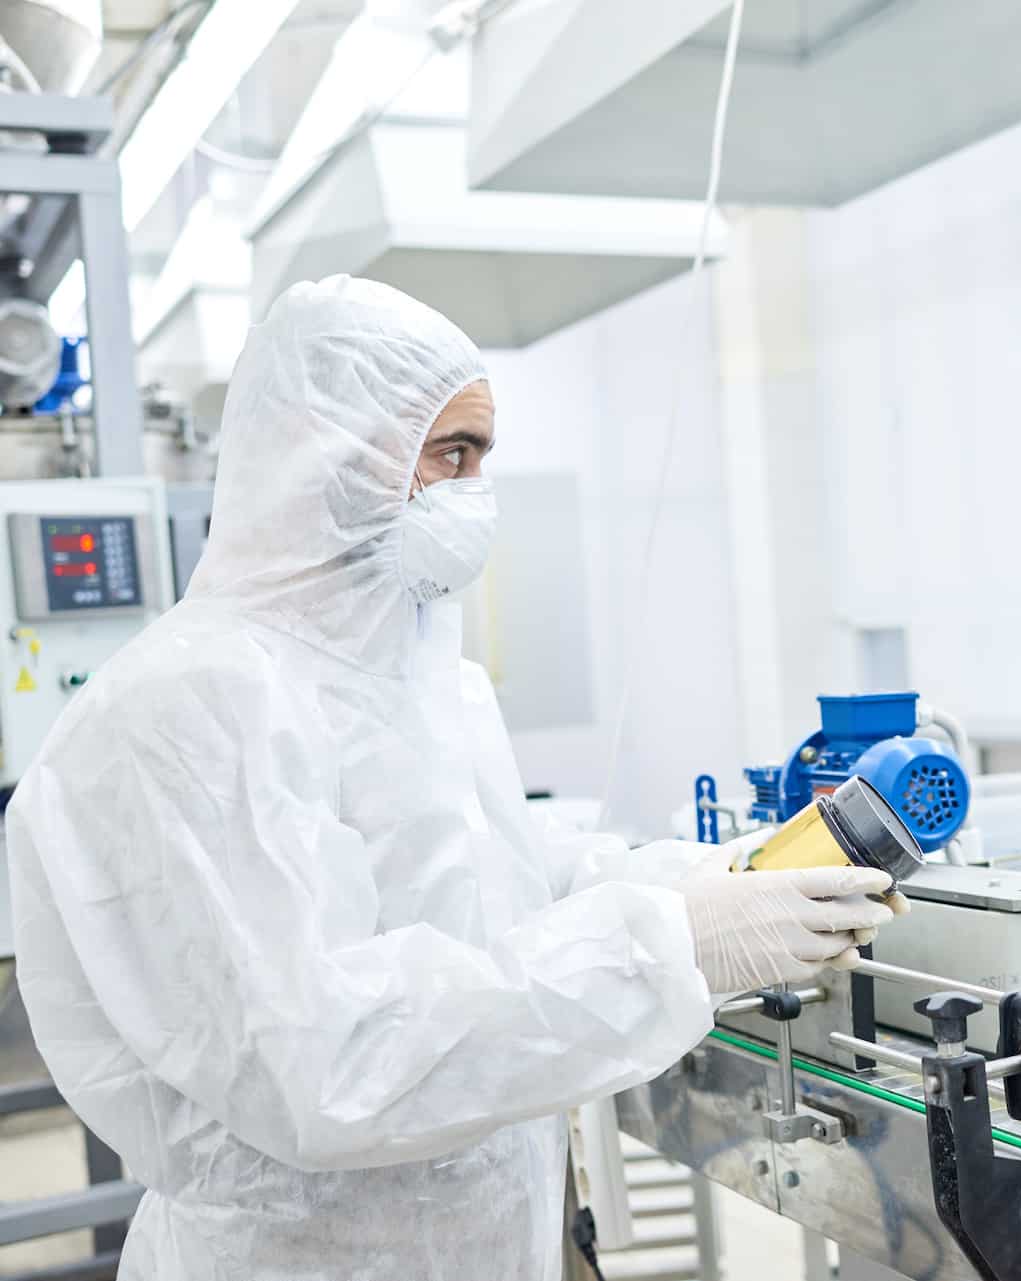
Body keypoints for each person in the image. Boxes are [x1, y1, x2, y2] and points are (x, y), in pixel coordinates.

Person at [4, 277, 901, 1280]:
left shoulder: (420, 677)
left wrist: (710, 881)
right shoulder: (189, 708)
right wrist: (671, 944)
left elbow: (501, 886)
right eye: (453, 454)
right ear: (327, 452)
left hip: (483, 1242)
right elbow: (328, 1060)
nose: (476, 495)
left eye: (483, 458)